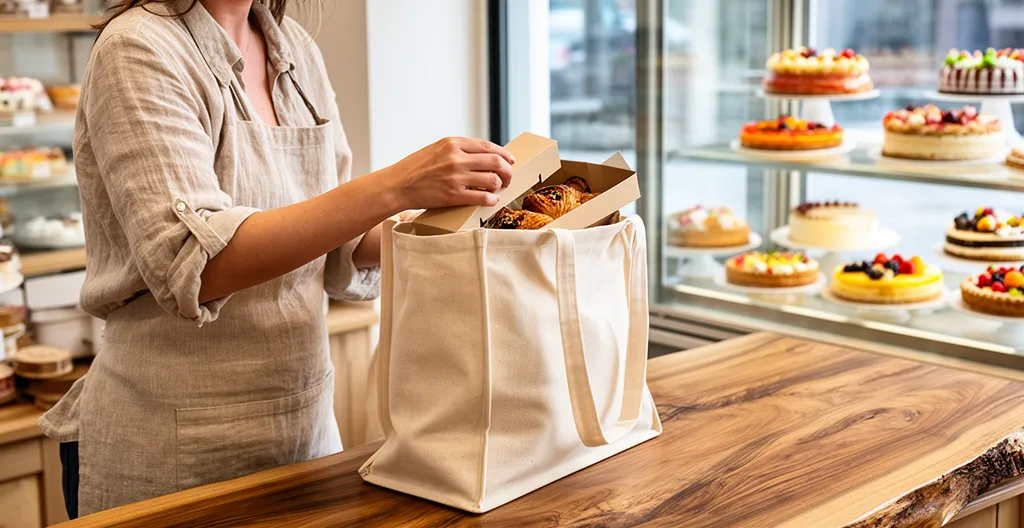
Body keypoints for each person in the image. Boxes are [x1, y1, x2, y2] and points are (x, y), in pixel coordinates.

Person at [38, 0, 515, 518]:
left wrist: (448, 217)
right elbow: (198, 263)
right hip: (175, 448)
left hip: (304, 434)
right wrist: (395, 187)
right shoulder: (138, 47)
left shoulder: (294, 49)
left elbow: (336, 238)